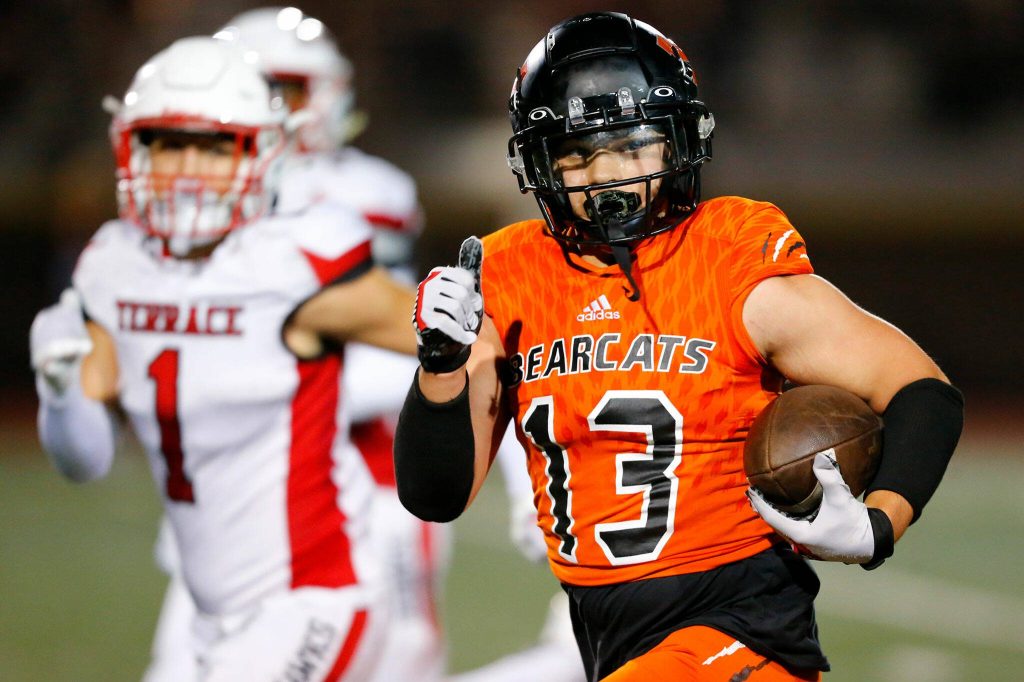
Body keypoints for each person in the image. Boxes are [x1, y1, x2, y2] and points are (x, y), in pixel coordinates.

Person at [394, 11, 964, 682]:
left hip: (740, 624)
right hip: (601, 628)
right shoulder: (509, 275)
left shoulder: (729, 262)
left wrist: (880, 523)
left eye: (632, 145)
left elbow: (922, 392)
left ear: (676, 142)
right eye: (578, 153)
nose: (606, 175)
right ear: (541, 164)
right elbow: (435, 495)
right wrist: (439, 368)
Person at [30, 35, 417, 681]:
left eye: (213, 147)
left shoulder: (294, 259)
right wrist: (63, 389)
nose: (186, 168)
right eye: (167, 143)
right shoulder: (113, 264)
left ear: (261, 154)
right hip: (201, 602)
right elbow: (84, 462)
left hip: (314, 595)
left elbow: (459, 337)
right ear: (132, 148)